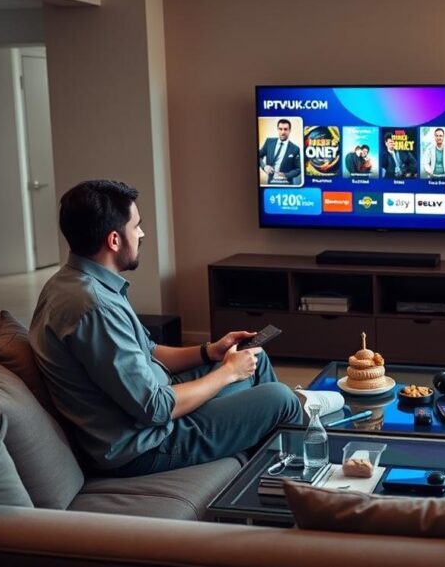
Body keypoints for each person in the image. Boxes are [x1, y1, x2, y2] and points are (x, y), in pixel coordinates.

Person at [30, 180, 302, 477]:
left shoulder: (75, 282)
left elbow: (148, 352)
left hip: (155, 412)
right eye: (136, 226)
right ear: (114, 240)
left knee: (255, 358)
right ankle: (302, 480)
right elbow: (156, 408)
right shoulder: (95, 308)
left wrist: (209, 352)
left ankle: (271, 469)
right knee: (281, 399)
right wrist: (228, 372)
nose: (142, 234)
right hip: (146, 445)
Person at [258, 119, 302, 183]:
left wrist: (285, 175)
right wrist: (264, 167)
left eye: (285, 129)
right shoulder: (269, 142)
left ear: (290, 130)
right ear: (277, 129)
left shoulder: (295, 148)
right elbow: (258, 156)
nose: (283, 132)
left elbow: (298, 169)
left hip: (287, 184)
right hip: (270, 183)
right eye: (280, 129)